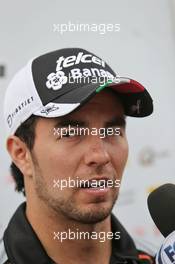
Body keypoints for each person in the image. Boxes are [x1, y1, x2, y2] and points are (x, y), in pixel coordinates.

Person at [1, 48, 155, 264]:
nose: (100, 156)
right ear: (21, 154)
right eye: (71, 133)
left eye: (112, 131)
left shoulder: (154, 258)